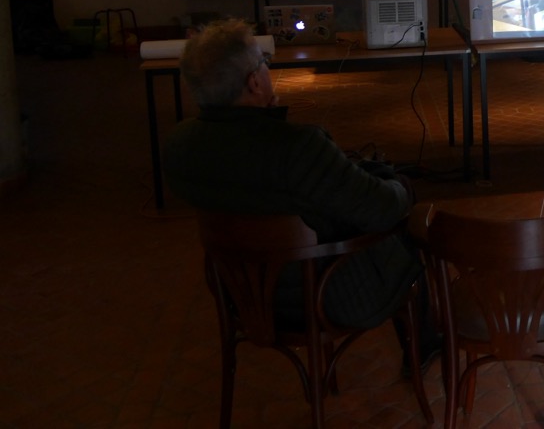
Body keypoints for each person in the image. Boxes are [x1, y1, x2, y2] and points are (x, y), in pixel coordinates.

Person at [163, 19, 435, 373]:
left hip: (241, 298)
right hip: (323, 296)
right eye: (264, 63)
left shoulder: (179, 146)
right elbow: (383, 209)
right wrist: (396, 182)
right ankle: (425, 345)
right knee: (409, 215)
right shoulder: (298, 148)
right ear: (254, 82)